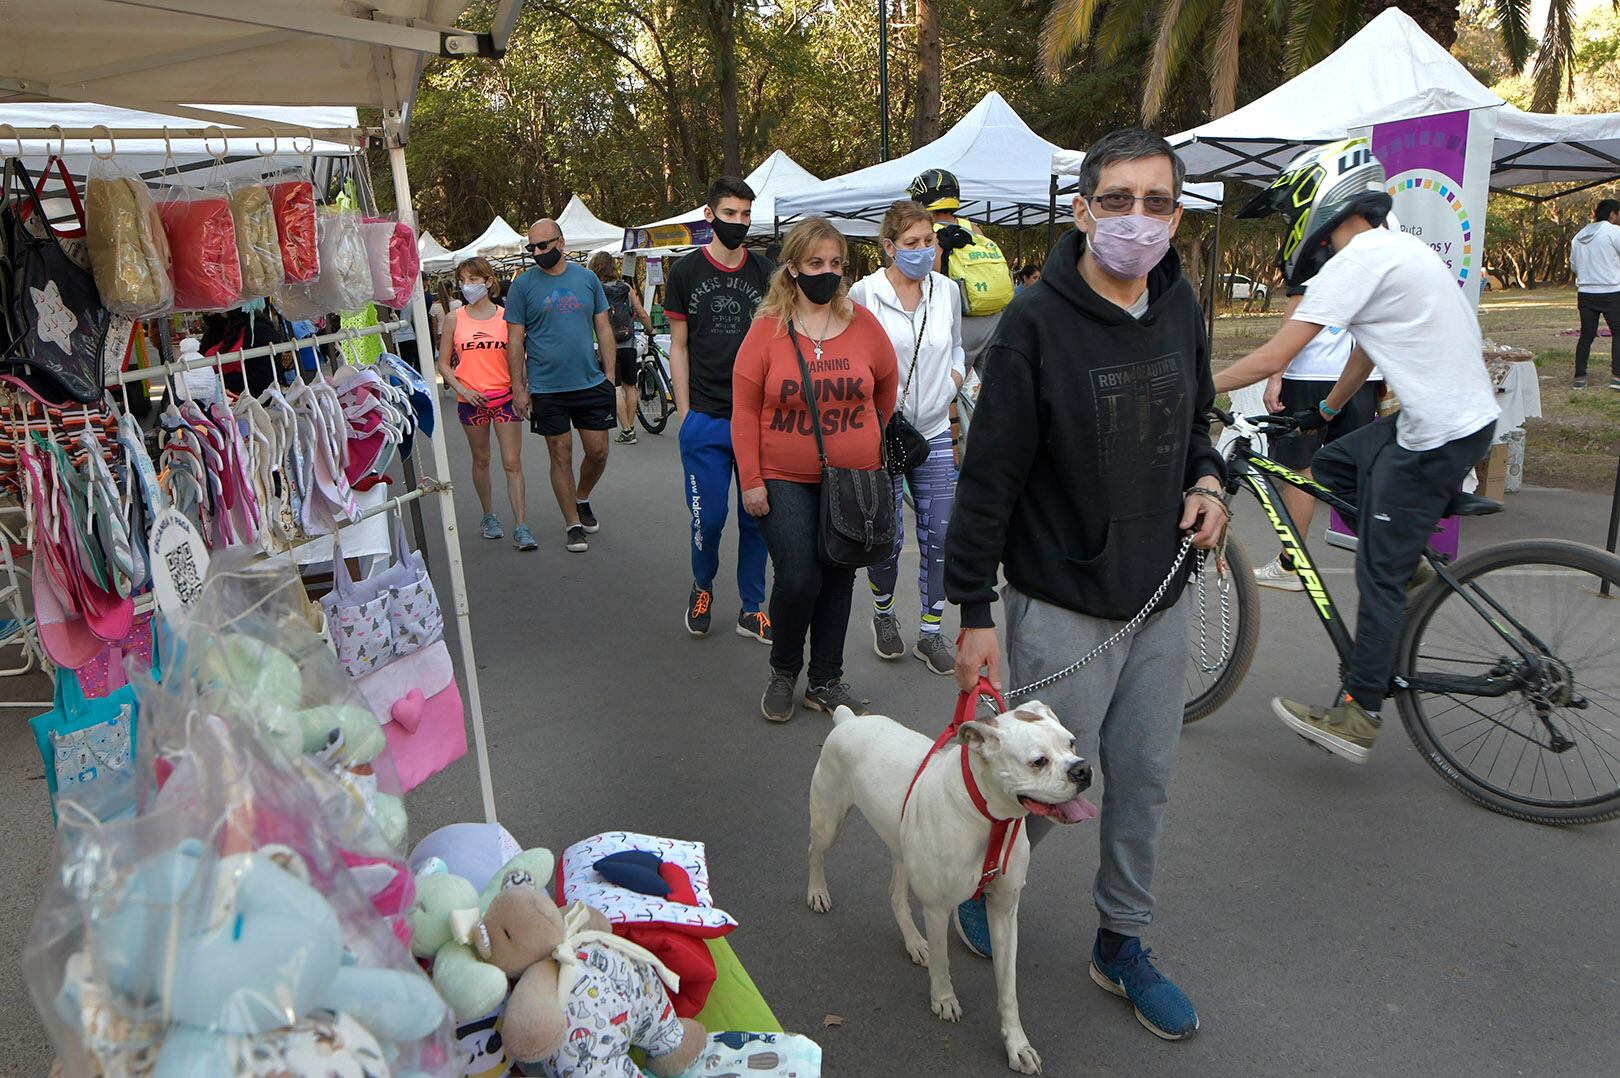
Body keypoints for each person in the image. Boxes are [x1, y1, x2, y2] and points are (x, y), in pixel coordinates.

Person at [944, 128, 1227, 1041]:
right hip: (1061, 605)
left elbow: (1197, 417)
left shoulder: (1182, 304)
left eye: (1157, 202)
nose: (1137, 220)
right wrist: (975, 612)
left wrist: (1211, 480)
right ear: (1081, 210)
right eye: (1117, 200)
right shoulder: (1034, 321)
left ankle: (1122, 941)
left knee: (1140, 782)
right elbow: (989, 477)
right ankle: (984, 891)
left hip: (1160, 600)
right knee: (1041, 790)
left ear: (1177, 215)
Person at [1213, 137, 1498, 763]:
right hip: (1454, 419)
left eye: (1292, 213)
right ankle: (1408, 554)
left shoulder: (1355, 262)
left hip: (1436, 432)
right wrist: (1331, 410)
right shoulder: (1393, 248)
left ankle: (1358, 712)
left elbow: (1274, 356)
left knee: (1377, 575)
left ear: (1318, 202)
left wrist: (1190, 388)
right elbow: (1370, 347)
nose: (1292, 228)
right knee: (1337, 462)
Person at [733, 218, 897, 722]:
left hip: (853, 480)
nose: (827, 273)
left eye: (835, 265)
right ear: (793, 268)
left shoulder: (863, 325)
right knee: (800, 577)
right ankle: (784, 671)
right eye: (815, 264)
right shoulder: (767, 332)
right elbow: (743, 410)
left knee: (838, 578)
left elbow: (886, 391)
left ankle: (825, 680)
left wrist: (863, 439)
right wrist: (753, 481)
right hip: (782, 478)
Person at [847, 199, 965, 674]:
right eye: (911, 244)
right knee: (888, 535)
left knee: (939, 533)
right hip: (883, 435)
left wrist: (951, 386)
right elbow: (852, 357)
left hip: (933, 431)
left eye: (929, 242)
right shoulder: (865, 293)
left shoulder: (949, 291)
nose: (923, 251)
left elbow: (957, 347)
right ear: (889, 247)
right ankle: (883, 613)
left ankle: (932, 630)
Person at [666, 177, 776, 642]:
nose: (740, 223)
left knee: (757, 517)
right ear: (710, 216)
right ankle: (702, 585)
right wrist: (686, 412)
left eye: (746, 215)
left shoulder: (766, 272)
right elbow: (679, 347)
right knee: (708, 519)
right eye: (730, 214)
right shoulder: (685, 272)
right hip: (706, 419)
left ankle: (752, 607)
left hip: (759, 421)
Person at [1231, 288, 1379, 590]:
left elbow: (1296, 315)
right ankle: (1392, 559)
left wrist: (1276, 376)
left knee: (1299, 470)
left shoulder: (1313, 244)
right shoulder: (1377, 244)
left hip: (1312, 370)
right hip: (1362, 374)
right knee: (1356, 471)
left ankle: (1291, 565)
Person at [505, 218, 618, 553]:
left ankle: (581, 496)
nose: (538, 252)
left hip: (590, 382)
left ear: (561, 243)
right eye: (533, 247)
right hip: (547, 388)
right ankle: (572, 523)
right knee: (560, 453)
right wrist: (519, 388)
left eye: (544, 245)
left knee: (598, 451)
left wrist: (610, 376)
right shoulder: (523, 286)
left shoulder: (587, 279)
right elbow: (514, 341)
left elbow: (605, 329)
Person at [436, 257, 534, 550]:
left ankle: (521, 525)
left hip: (504, 398)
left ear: (489, 282)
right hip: (471, 401)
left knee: (512, 462)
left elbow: (520, 357)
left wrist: (523, 390)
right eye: (463, 280)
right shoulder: (455, 318)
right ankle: (489, 515)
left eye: (473, 280)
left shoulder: (507, 316)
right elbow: (443, 365)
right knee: (481, 460)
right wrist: (463, 390)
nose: (467, 286)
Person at [908, 168, 1013, 376]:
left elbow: (928, 281)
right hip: (994, 319)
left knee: (949, 390)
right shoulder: (973, 228)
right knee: (993, 390)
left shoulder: (929, 236)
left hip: (960, 322)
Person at [589, 251, 656, 445]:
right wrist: (650, 329)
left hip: (606, 345)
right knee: (630, 386)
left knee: (615, 386)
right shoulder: (626, 288)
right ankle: (630, 428)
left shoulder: (596, 290)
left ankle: (626, 429)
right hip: (629, 343)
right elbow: (641, 313)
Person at [1570, 198, 1620, 390]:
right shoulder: (1613, 231)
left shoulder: (1578, 236)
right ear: (1612, 214)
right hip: (1611, 290)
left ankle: (1580, 378)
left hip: (1585, 292)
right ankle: (1617, 377)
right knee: (1618, 333)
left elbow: (1574, 266)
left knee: (1586, 336)